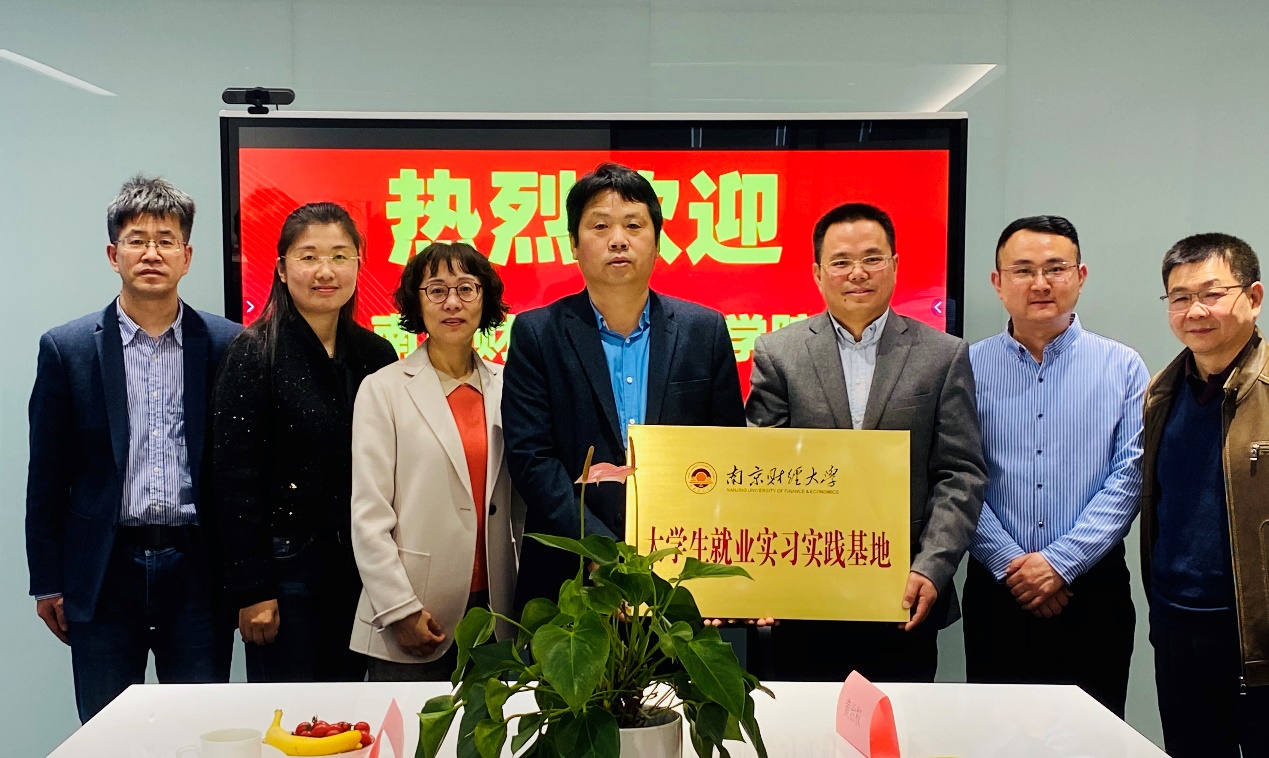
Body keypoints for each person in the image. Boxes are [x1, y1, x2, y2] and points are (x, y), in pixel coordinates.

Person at [25, 175, 241, 722]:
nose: (151, 253)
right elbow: (46, 476)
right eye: (137, 240)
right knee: (106, 728)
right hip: (104, 568)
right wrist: (47, 581)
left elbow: (242, 473)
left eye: (166, 240)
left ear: (187, 256)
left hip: (197, 568)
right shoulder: (68, 348)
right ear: (113, 254)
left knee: (198, 728)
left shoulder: (227, 344)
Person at [745, 202, 986, 682]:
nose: (857, 273)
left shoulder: (943, 354)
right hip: (805, 593)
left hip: (903, 592)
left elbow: (960, 473)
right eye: (841, 261)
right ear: (817, 273)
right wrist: (765, 579)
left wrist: (932, 566)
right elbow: (760, 472)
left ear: (895, 264)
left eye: (872, 258)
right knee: (806, 723)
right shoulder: (779, 353)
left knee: (899, 721)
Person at [502, 162, 746, 612]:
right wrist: (603, 552)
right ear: (574, 244)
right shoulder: (537, 333)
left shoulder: (704, 330)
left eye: (634, 225)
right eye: (600, 226)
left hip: (680, 574)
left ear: (657, 242)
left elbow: (727, 449)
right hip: (569, 576)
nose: (618, 239)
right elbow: (531, 457)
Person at [963, 216, 1145, 716]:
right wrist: (1011, 564)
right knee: (996, 738)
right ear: (998, 282)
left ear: (1080, 276)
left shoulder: (1123, 366)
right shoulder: (965, 367)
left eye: (1055, 268)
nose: (1040, 283)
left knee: (1094, 738)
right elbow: (957, 474)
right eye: (1023, 270)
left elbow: (1130, 475)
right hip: (997, 590)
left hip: (1094, 590)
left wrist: (1060, 563)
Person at [212, 202, 397, 682]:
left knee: (352, 711)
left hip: (361, 571)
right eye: (308, 256)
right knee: (290, 715)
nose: (325, 271)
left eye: (339, 256)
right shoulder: (254, 352)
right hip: (284, 571)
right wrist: (253, 589)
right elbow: (233, 480)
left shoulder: (376, 355)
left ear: (358, 263)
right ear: (281, 267)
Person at [349, 242, 524, 680]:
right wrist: (399, 608)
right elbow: (369, 515)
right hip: (414, 613)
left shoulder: (511, 386)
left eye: (466, 288)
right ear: (417, 301)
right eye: (437, 290)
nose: (452, 303)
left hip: (497, 612)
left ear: (485, 299)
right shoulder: (383, 389)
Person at [1142, 233, 1269, 757]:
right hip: (1177, 629)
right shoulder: (1160, 392)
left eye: (1212, 294)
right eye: (1180, 297)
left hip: (1257, 636)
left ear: (1254, 297)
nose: (1195, 311)